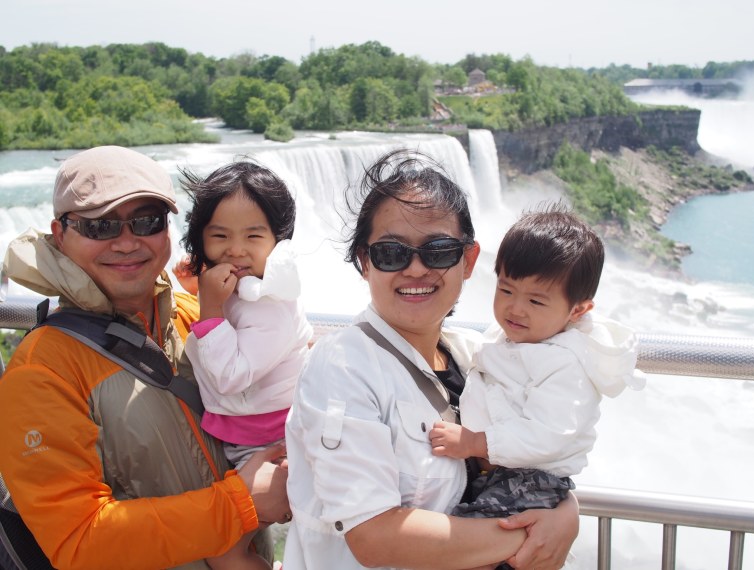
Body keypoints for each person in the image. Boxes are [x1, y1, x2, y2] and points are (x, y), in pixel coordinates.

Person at [284, 149, 579, 570]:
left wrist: (566, 512)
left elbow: (537, 456)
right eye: (391, 253)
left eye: (438, 250)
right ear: (365, 263)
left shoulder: (479, 356)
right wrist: (534, 534)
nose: (417, 269)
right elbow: (375, 537)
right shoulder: (343, 368)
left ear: (469, 260)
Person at [0, 145, 291, 570]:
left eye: (146, 221)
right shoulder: (43, 371)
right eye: (99, 226)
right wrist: (240, 504)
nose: (126, 241)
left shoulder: (197, 319)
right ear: (59, 234)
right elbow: (78, 539)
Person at [429, 206, 646, 527]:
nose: (515, 308)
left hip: (533, 479)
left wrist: (474, 443)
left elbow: (548, 435)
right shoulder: (516, 338)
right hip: (504, 472)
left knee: (472, 535)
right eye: (505, 290)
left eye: (536, 301)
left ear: (578, 310)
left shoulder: (565, 362)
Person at [175, 160, 313, 569]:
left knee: (225, 553)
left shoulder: (270, 306)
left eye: (253, 236)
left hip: (272, 443)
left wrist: (211, 308)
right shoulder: (244, 286)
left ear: (278, 240)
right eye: (220, 236)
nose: (236, 250)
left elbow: (231, 376)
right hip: (252, 434)